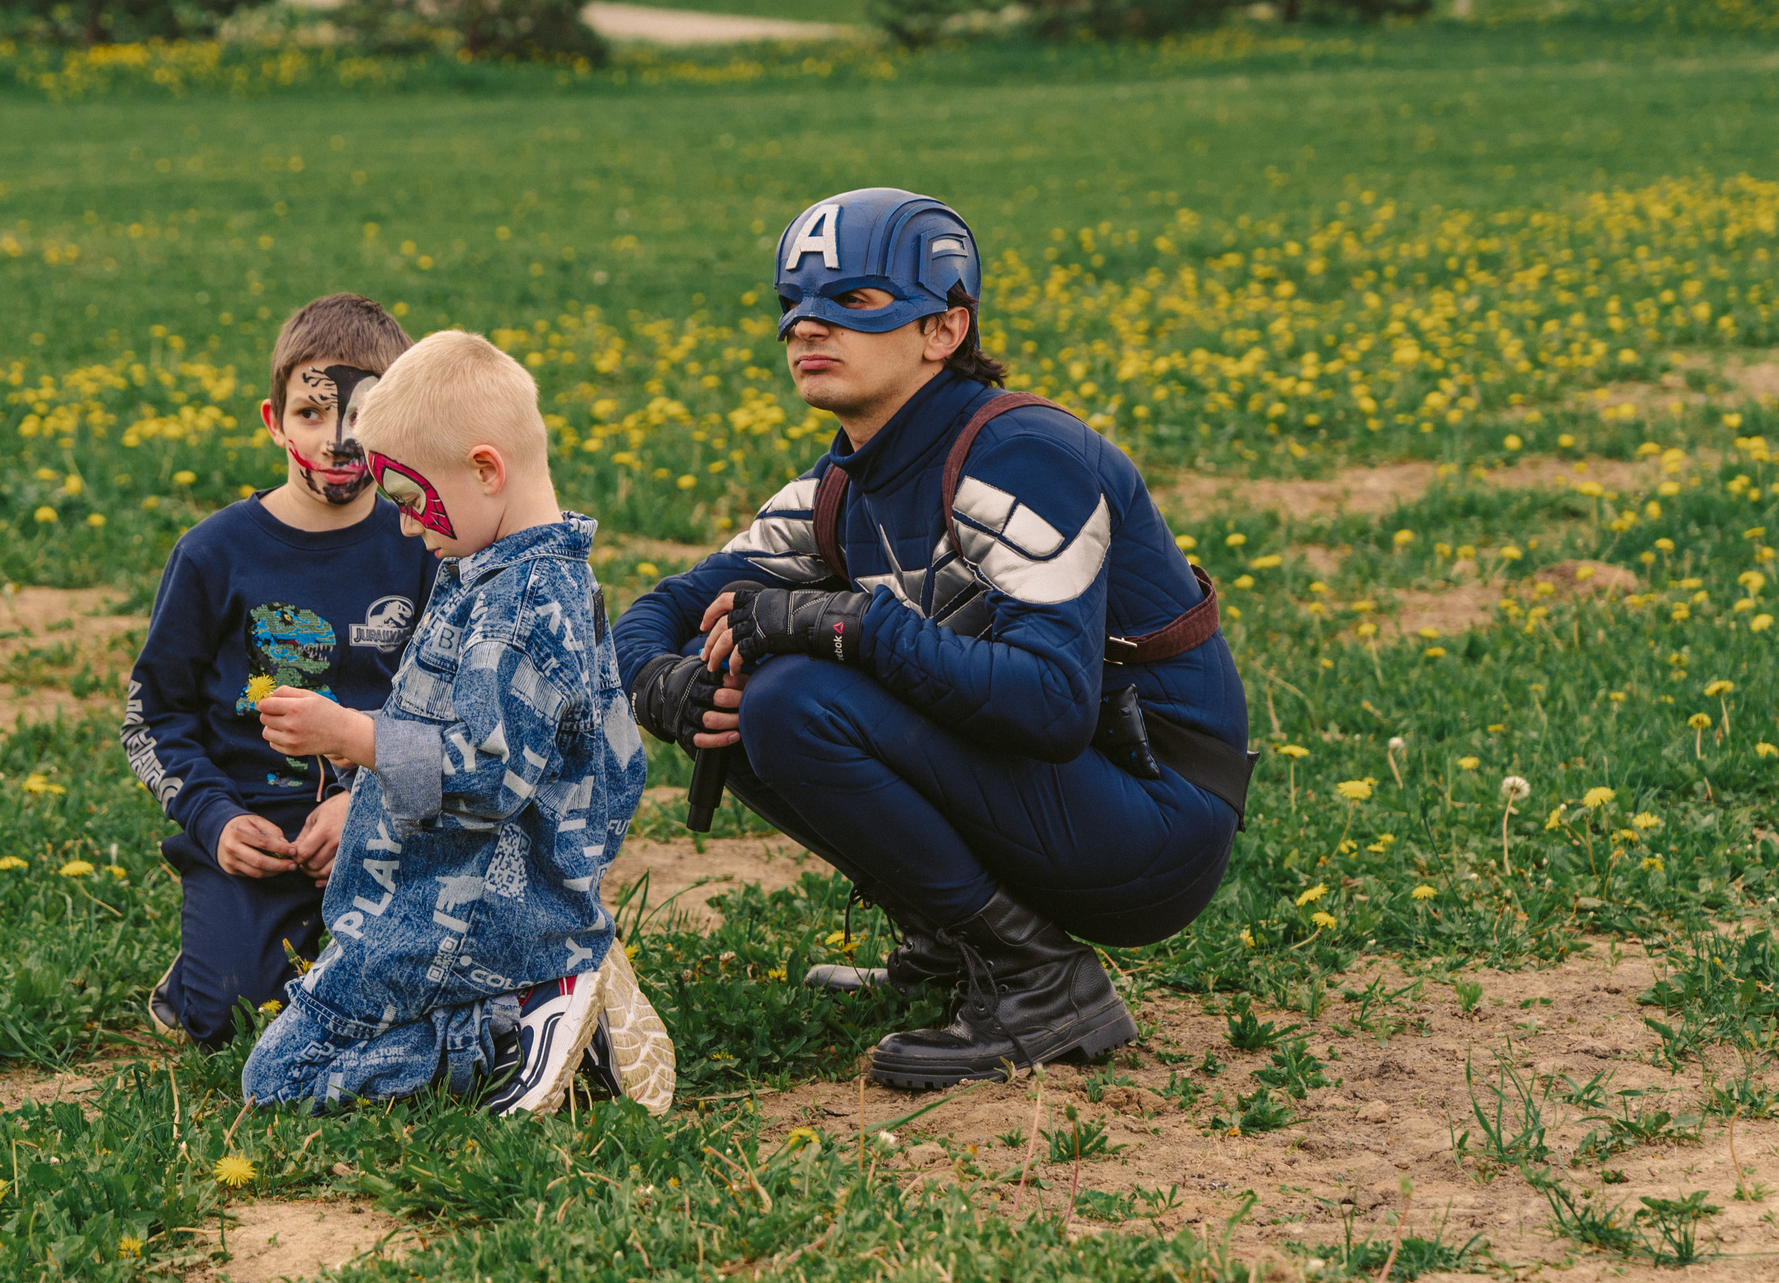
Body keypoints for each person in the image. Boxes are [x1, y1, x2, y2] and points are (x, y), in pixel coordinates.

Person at [614, 188, 1252, 1091]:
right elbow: (665, 607)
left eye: (858, 302)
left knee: (794, 692)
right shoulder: (847, 476)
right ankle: (956, 947)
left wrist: (851, 624)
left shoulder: (1023, 453)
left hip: (1155, 819)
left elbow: (1054, 704)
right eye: (793, 306)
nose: (808, 325)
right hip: (1071, 796)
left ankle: (1040, 979)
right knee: (744, 697)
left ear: (945, 329)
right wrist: (657, 679)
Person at [244, 330, 673, 1115]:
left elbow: (481, 772)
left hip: (463, 910)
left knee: (280, 1076)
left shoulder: (517, 608)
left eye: (410, 501)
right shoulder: (512, 578)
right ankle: (559, 992)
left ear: (485, 469)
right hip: (473, 898)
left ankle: (515, 1027)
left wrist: (349, 734)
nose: (406, 526)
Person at [121, 294, 439, 1049]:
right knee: (227, 1016)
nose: (335, 441)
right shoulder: (211, 553)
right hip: (253, 831)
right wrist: (214, 818)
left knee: (413, 990)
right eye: (310, 412)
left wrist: (367, 803)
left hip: (386, 823)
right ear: (273, 419)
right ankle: (211, 964)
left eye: (360, 415)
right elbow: (151, 717)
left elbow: (444, 711)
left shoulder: (426, 544)